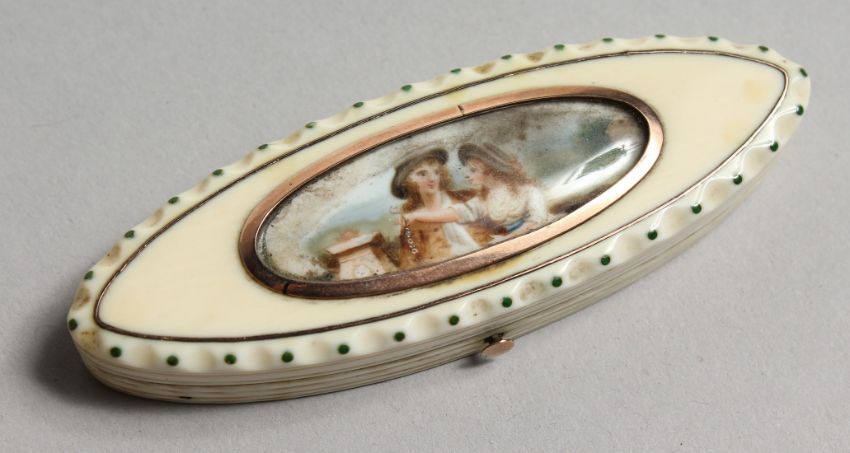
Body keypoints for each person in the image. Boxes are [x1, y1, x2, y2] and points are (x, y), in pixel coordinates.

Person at [406, 143, 550, 243]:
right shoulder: (485, 199)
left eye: (473, 170)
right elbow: (459, 213)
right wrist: (416, 215)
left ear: (489, 170)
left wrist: (508, 238)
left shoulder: (528, 191)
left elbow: (538, 220)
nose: (467, 176)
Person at [390, 147, 480, 269]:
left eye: (436, 172)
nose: (432, 179)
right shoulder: (411, 225)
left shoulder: (466, 198)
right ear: (409, 181)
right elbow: (411, 264)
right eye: (422, 174)